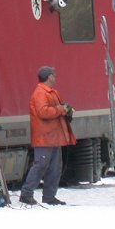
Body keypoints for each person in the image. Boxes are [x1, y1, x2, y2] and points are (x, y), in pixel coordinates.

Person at [19, 66, 75, 206]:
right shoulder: (41, 93)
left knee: (54, 168)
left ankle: (49, 197)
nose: (56, 77)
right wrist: (62, 109)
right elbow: (43, 112)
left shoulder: (49, 92)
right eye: (54, 74)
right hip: (44, 137)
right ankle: (26, 194)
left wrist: (65, 110)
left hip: (53, 137)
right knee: (41, 166)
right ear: (49, 76)